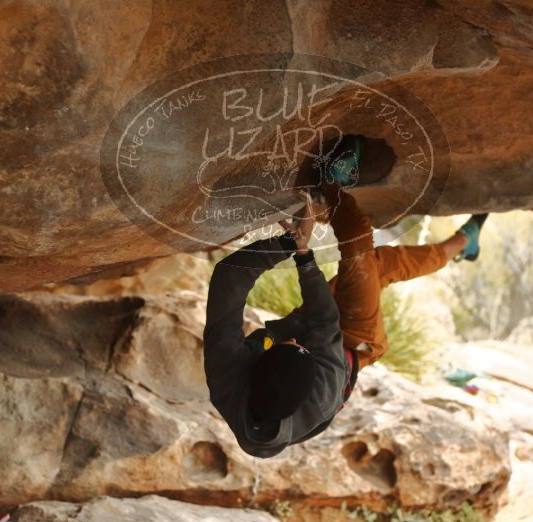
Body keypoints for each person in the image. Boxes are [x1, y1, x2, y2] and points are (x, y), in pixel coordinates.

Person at [309, 134, 488, 377]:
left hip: (317, 329)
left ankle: (466, 240)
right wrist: (302, 262)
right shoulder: (306, 406)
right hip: (352, 338)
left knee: (381, 265)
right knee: (359, 254)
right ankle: (329, 185)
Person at [203, 196, 349, 459]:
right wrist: (304, 256)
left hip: (286, 354)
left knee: (353, 272)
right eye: (299, 345)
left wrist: (286, 244)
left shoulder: (226, 374)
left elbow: (228, 277)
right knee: (360, 272)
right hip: (345, 361)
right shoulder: (323, 394)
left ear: (255, 362)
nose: (295, 340)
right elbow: (326, 321)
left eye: (289, 345)